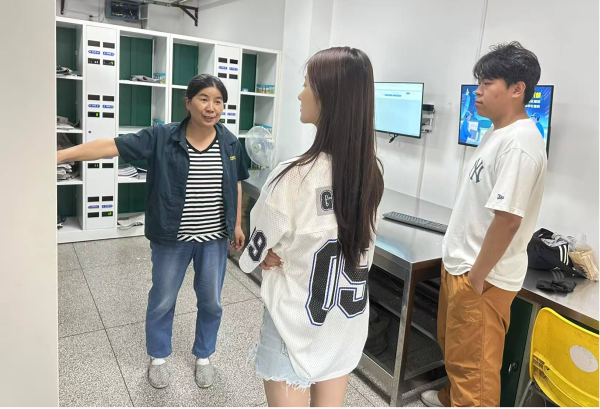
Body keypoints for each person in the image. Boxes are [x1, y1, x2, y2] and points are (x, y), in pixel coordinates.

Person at [57, 74, 249, 390]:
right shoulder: (161, 137)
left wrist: (238, 224)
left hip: (214, 239)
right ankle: (158, 357)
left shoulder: (229, 142)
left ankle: (204, 356)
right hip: (171, 238)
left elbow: (236, 183)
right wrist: (61, 155)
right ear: (188, 103)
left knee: (211, 301)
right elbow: (110, 146)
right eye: (203, 99)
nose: (211, 107)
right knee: (163, 299)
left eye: (218, 101)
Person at [239, 47, 384, 408]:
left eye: (306, 85)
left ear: (327, 97)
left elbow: (253, 252)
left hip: (295, 325)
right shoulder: (371, 176)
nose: (300, 95)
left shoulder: (292, 177)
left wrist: (262, 254)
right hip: (344, 326)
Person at [421, 42, 547, 409]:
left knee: (475, 374)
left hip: (482, 278)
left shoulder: (521, 143)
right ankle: (451, 398)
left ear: (517, 88)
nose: (477, 92)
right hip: (464, 268)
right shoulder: (498, 133)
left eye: (487, 83)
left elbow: (508, 221)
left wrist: (476, 278)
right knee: (459, 353)